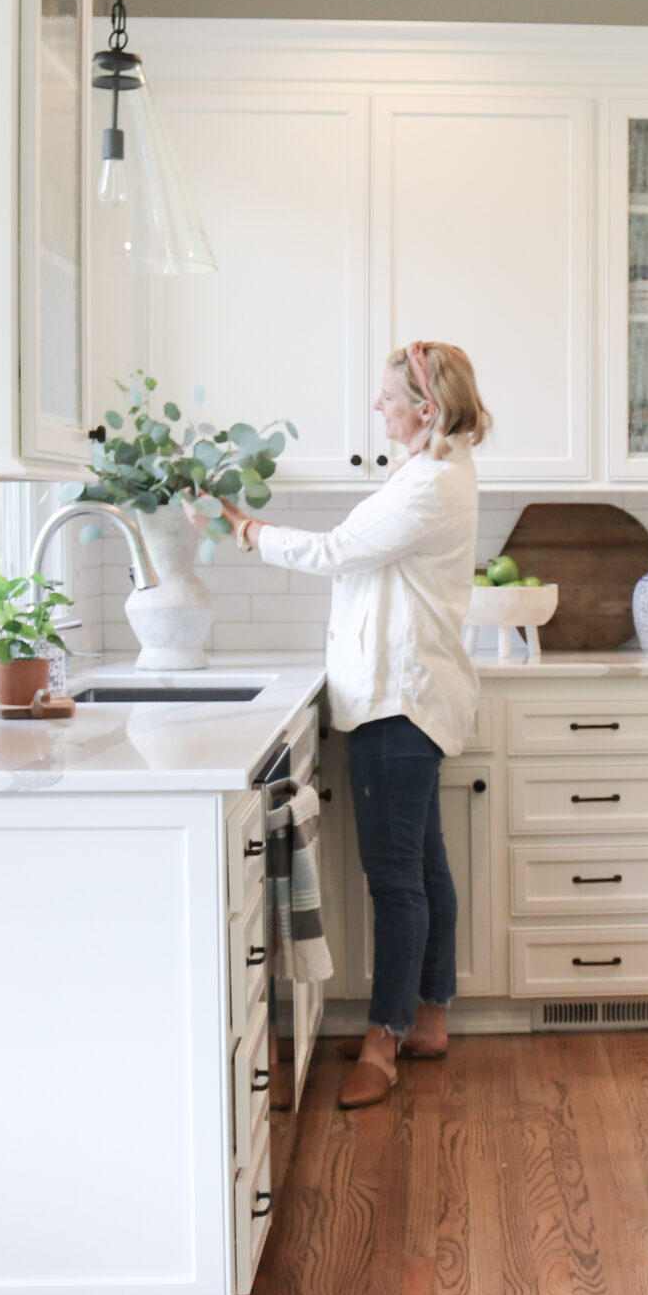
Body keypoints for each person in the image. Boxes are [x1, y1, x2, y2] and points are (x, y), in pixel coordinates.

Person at [211, 342, 489, 1109]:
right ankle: (426, 1017)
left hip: (397, 702)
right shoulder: (431, 469)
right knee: (424, 867)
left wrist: (250, 532)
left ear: (425, 410)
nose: (378, 408)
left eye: (388, 397)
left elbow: (335, 551)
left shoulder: (428, 485)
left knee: (397, 880)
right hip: (405, 696)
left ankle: (385, 1039)